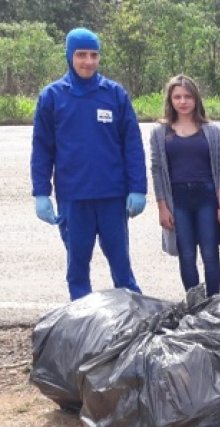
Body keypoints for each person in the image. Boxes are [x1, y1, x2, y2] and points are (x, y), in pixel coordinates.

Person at [30, 27, 146, 301]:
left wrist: (137, 188)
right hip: (74, 197)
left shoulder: (114, 94)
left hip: (112, 195)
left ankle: (133, 321)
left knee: (121, 265)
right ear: (69, 56)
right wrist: (41, 193)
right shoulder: (53, 97)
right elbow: (42, 148)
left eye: (94, 55)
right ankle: (82, 324)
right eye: (81, 55)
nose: (88, 62)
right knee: (77, 268)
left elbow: (132, 144)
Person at [149, 74, 220, 296]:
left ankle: (214, 302)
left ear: (196, 99)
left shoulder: (212, 131)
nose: (183, 101)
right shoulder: (160, 133)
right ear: (170, 100)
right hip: (178, 200)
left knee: (209, 254)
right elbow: (157, 171)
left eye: (187, 96)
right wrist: (162, 207)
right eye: (177, 97)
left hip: (207, 197)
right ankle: (195, 304)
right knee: (186, 254)